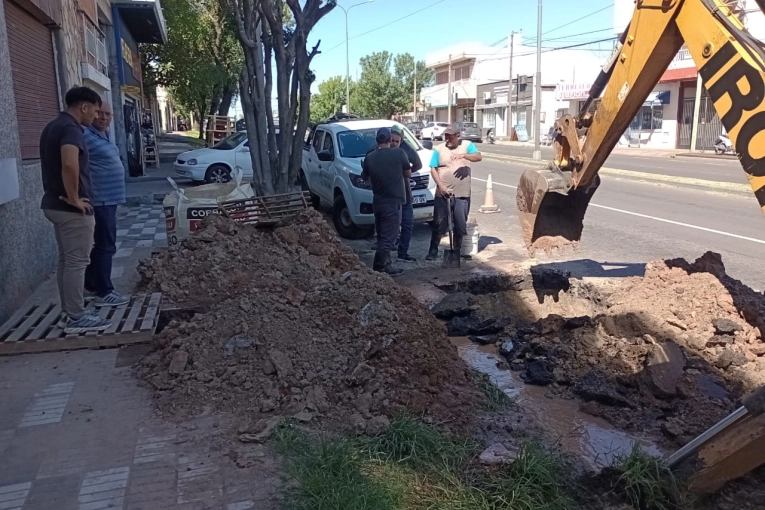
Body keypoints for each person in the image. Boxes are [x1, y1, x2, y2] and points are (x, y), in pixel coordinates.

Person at [40, 86, 112, 334]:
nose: (95, 116)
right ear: (84, 107)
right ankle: (76, 317)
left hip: (53, 204)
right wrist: (74, 199)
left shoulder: (53, 126)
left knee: (67, 261)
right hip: (70, 210)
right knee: (76, 263)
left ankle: (70, 311)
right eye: (94, 110)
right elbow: (69, 164)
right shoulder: (71, 129)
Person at [83, 102, 129, 307]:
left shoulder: (104, 134)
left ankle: (92, 284)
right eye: (100, 113)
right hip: (100, 200)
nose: (104, 117)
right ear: (91, 112)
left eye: (108, 114)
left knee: (103, 243)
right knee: (106, 245)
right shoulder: (84, 134)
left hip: (110, 199)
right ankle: (104, 292)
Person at [426, 124, 483, 261]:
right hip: (443, 194)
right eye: (446, 136)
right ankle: (433, 250)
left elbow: (478, 157)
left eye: (450, 137)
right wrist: (441, 186)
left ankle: (457, 250)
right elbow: (433, 169)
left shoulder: (467, 145)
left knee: (460, 223)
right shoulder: (439, 149)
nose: (447, 139)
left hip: (462, 194)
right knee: (439, 223)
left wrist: (464, 155)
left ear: (458, 136)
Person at [361, 127, 411, 276]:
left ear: (377, 140)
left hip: (378, 202)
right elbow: (408, 173)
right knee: (388, 238)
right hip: (393, 202)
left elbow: (365, 177)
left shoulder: (370, 157)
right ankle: (380, 267)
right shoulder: (399, 153)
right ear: (390, 140)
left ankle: (386, 265)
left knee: (382, 235)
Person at [389, 125, 422, 262]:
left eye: (397, 141)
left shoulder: (406, 149)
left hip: (405, 193)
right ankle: (386, 255)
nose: (394, 143)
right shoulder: (381, 150)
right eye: (392, 140)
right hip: (389, 195)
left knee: (408, 223)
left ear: (401, 140)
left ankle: (403, 252)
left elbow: (418, 164)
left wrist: (406, 174)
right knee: (390, 226)